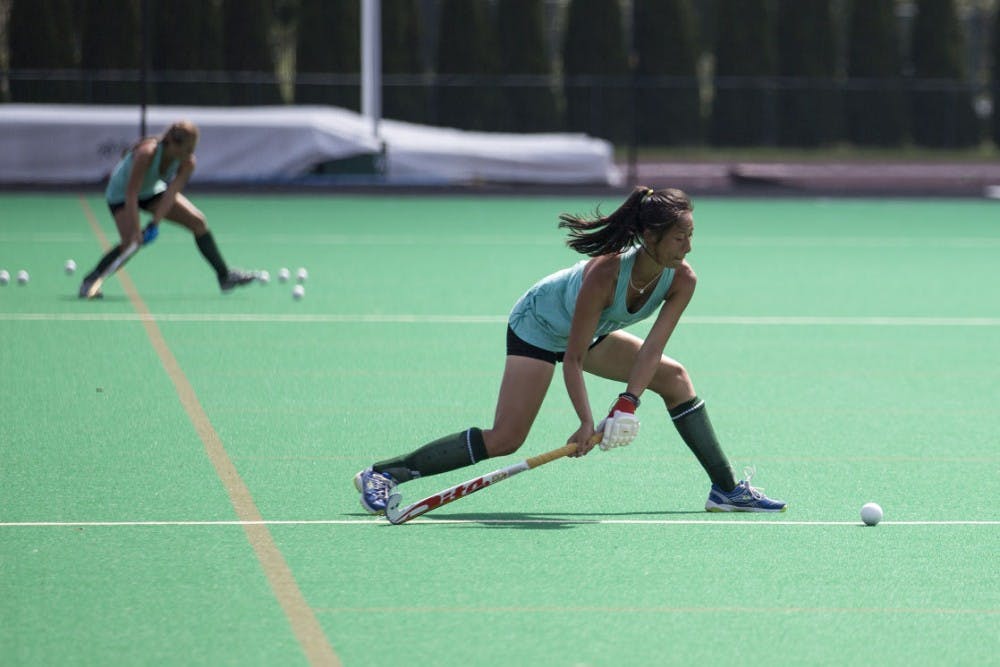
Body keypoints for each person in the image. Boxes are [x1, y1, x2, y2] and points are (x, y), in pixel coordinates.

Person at [355, 186, 786, 516]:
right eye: (679, 238)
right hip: (539, 327)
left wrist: (627, 403)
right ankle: (383, 474)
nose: (688, 247)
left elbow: (652, 349)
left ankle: (726, 490)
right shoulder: (604, 274)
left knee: (674, 378)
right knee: (506, 438)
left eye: (690, 235)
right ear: (649, 236)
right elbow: (574, 359)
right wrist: (585, 422)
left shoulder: (682, 279)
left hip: (594, 331)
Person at [79, 120, 258, 298]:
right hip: (121, 194)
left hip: (151, 191)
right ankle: (91, 281)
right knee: (131, 242)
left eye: (192, 149)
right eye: (186, 149)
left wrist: (154, 224)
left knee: (198, 222)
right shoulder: (146, 153)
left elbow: (170, 194)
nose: (189, 154)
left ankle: (224, 276)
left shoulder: (187, 162)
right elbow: (131, 193)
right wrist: (137, 231)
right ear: (172, 143)